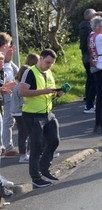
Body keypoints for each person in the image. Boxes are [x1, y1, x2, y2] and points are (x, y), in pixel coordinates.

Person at [18, 49, 66, 188]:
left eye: (52, 63)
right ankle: (36, 177)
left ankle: (44, 169)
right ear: (41, 58)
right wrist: (43, 92)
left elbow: (49, 92)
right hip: (32, 115)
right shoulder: (30, 72)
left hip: (47, 113)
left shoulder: (49, 72)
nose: (49, 65)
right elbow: (22, 92)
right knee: (37, 145)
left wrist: (57, 94)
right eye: (47, 62)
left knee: (54, 141)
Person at [11, 53, 39, 163]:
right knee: (24, 133)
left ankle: (26, 153)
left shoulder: (16, 85)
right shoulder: (19, 88)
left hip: (17, 112)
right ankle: (23, 155)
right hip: (20, 112)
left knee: (25, 133)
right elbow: (24, 100)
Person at [0, 33, 19, 156]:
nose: (10, 48)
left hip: (6, 94)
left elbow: (17, 71)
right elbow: (6, 78)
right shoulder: (2, 61)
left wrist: (9, 60)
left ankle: (3, 145)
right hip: (6, 95)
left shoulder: (5, 61)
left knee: (4, 121)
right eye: (7, 45)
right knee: (7, 121)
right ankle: (8, 147)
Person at [79, 8, 97, 114]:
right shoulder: (89, 28)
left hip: (85, 56)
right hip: (89, 56)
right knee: (93, 81)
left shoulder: (82, 26)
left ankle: (88, 100)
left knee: (90, 80)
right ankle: (89, 105)